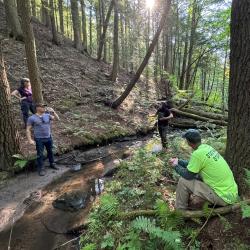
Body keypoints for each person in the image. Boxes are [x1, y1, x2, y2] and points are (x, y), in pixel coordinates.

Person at [169, 129, 238, 210]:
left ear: (189, 142)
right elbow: (193, 165)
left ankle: (180, 211)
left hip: (223, 197)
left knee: (183, 181)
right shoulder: (207, 148)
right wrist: (179, 161)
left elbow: (188, 176)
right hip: (232, 194)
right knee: (198, 177)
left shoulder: (197, 154)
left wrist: (175, 166)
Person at [26, 103, 60, 176]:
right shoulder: (32, 118)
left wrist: (53, 112)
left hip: (48, 137)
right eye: (42, 107)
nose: (44, 108)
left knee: (50, 151)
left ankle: (52, 164)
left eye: (45, 107)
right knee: (40, 154)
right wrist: (30, 140)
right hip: (39, 139)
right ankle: (41, 168)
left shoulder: (47, 115)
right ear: (37, 108)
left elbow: (57, 119)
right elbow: (28, 129)